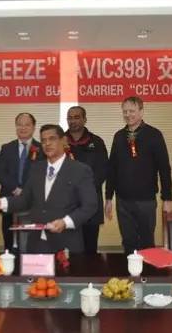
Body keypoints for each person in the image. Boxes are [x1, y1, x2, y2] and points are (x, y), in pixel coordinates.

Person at [0, 124, 97, 253]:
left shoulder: (80, 170)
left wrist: (65, 222)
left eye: (52, 139)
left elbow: (89, 206)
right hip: (36, 244)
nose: (47, 143)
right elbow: (24, 200)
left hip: (66, 242)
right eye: (43, 140)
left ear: (64, 141)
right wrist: (0, 203)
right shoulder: (36, 169)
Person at [105, 97, 172, 254]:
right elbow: (112, 168)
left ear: (141, 112)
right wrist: (108, 198)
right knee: (128, 242)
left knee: (146, 242)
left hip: (146, 201)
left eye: (132, 111)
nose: (128, 115)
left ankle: (147, 270)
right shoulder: (119, 136)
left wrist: (167, 199)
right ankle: (130, 269)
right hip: (123, 201)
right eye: (125, 111)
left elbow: (164, 168)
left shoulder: (154, 135)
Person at [0, 112, 44, 250]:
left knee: (30, 238)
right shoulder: (7, 148)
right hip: (9, 198)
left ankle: (29, 260)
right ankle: (9, 260)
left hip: (32, 201)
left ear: (33, 127)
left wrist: (26, 191)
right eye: (19, 125)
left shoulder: (41, 149)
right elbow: (0, 172)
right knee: (9, 237)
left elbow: (42, 174)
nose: (23, 128)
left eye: (27, 125)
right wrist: (15, 188)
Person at [65, 106, 108, 253]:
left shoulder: (97, 142)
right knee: (69, 251)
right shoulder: (60, 142)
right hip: (67, 205)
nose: (73, 121)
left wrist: (84, 191)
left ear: (85, 119)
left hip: (90, 203)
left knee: (90, 250)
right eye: (70, 118)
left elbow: (102, 171)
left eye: (77, 117)